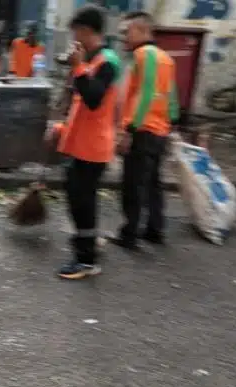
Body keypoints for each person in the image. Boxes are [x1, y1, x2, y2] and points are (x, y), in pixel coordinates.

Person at [46, 6, 121, 280]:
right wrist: (61, 128)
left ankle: (86, 261)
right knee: (77, 196)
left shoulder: (107, 62)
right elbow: (79, 105)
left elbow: (93, 100)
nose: (74, 38)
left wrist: (78, 66)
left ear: (87, 31)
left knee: (82, 202)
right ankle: (88, 240)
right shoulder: (92, 60)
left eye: (76, 32)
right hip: (80, 144)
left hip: (93, 148)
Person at [110, 11, 179, 250]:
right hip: (159, 131)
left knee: (133, 185)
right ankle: (155, 230)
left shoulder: (144, 55)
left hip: (142, 130)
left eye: (126, 32)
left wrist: (129, 129)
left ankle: (129, 235)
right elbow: (171, 96)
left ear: (142, 30)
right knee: (153, 183)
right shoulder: (166, 58)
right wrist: (173, 123)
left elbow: (146, 94)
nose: (123, 37)